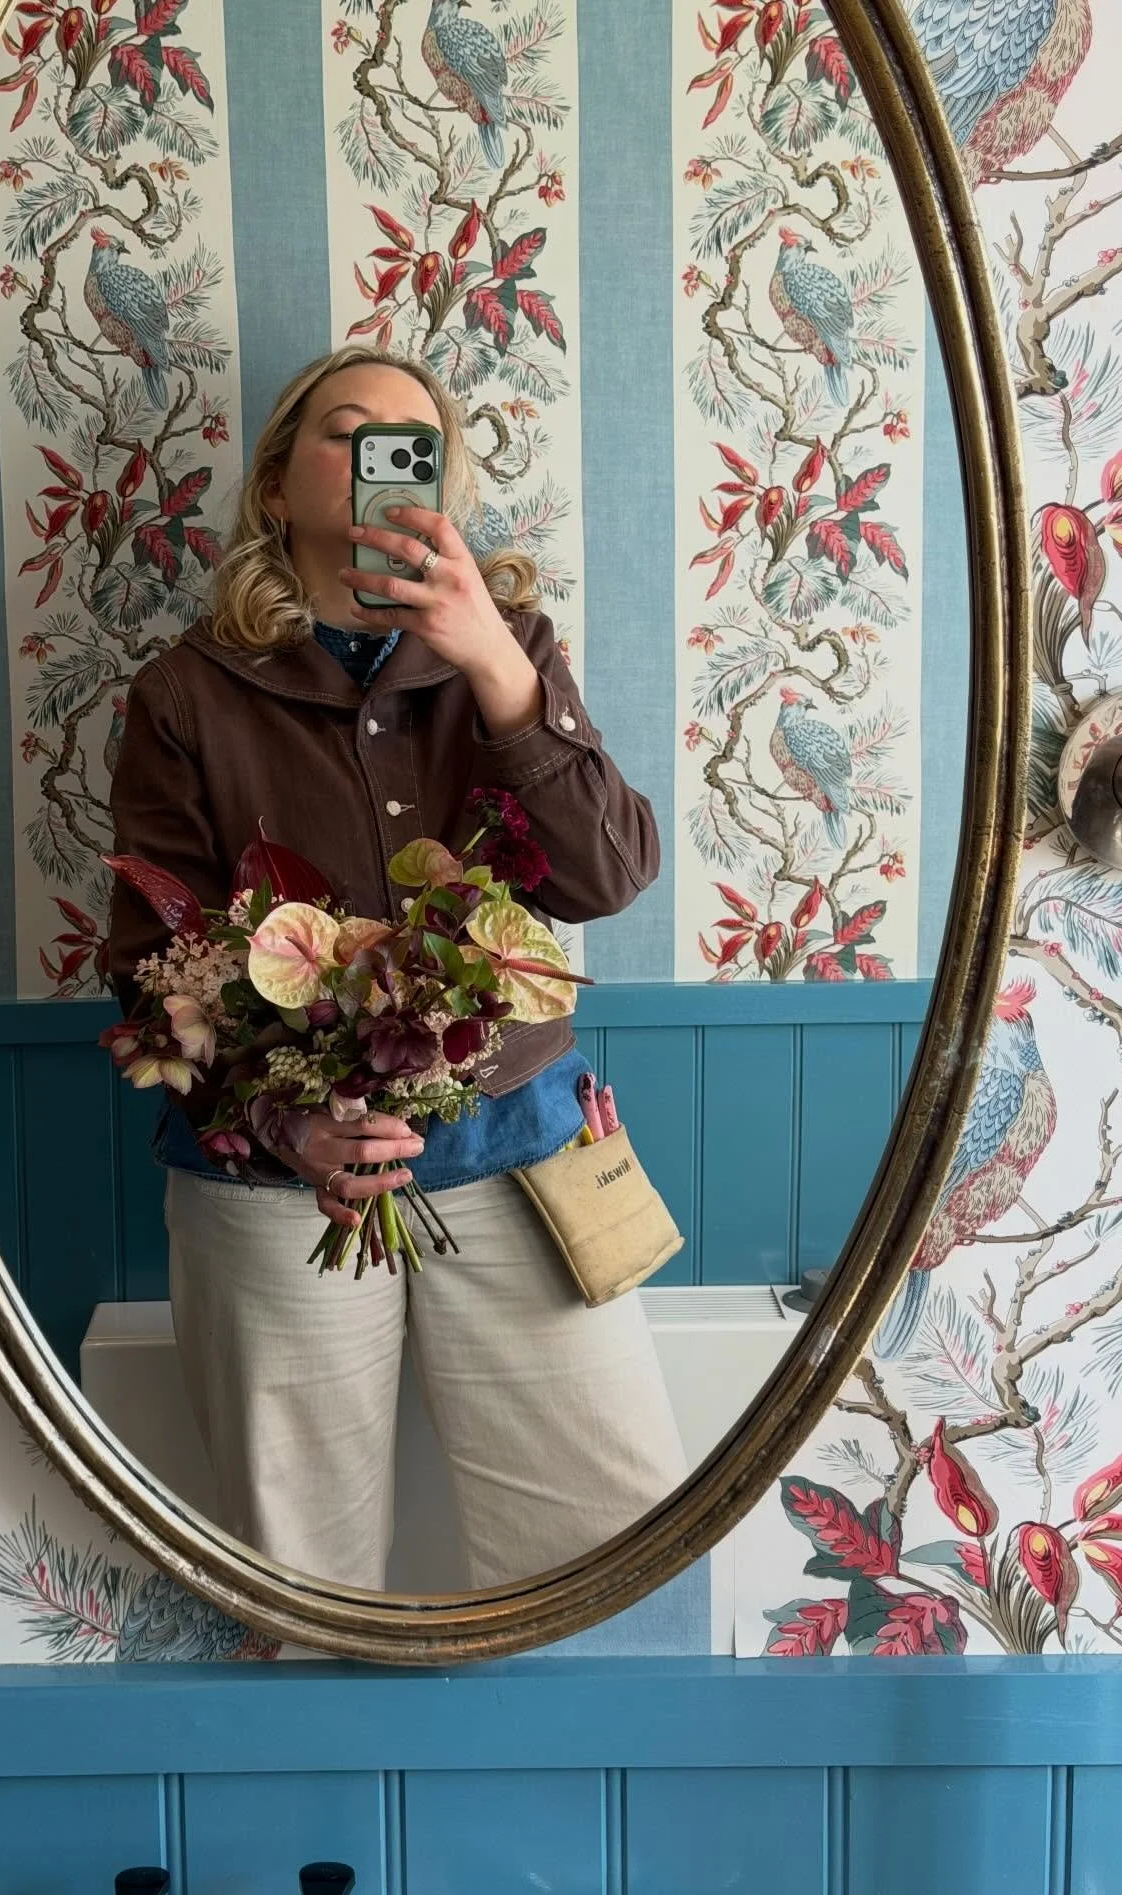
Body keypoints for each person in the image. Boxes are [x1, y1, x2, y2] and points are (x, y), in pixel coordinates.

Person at [108, 344, 685, 1592]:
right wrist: (285, 1122)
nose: (381, 464)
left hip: (522, 1147)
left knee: (605, 1545)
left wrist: (497, 667)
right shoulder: (186, 695)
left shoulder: (513, 650)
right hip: (281, 1185)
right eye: (347, 435)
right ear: (277, 487)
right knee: (295, 1563)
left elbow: (606, 877)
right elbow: (152, 962)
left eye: (413, 445)